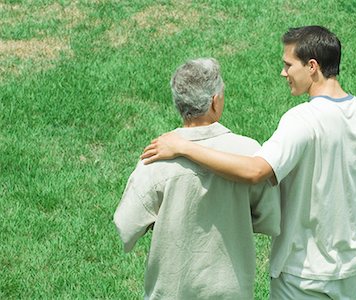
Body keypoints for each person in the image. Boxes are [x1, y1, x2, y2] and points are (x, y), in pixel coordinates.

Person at [141, 26, 356, 299]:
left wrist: (185, 147)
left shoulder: (302, 120)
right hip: (351, 270)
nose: (283, 72)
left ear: (312, 67)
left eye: (288, 65)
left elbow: (255, 171)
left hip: (302, 275)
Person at [113, 58, 280, 300]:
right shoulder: (249, 153)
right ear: (215, 101)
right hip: (231, 290)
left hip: (172, 291)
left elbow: (126, 225)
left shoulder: (155, 157)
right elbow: (269, 218)